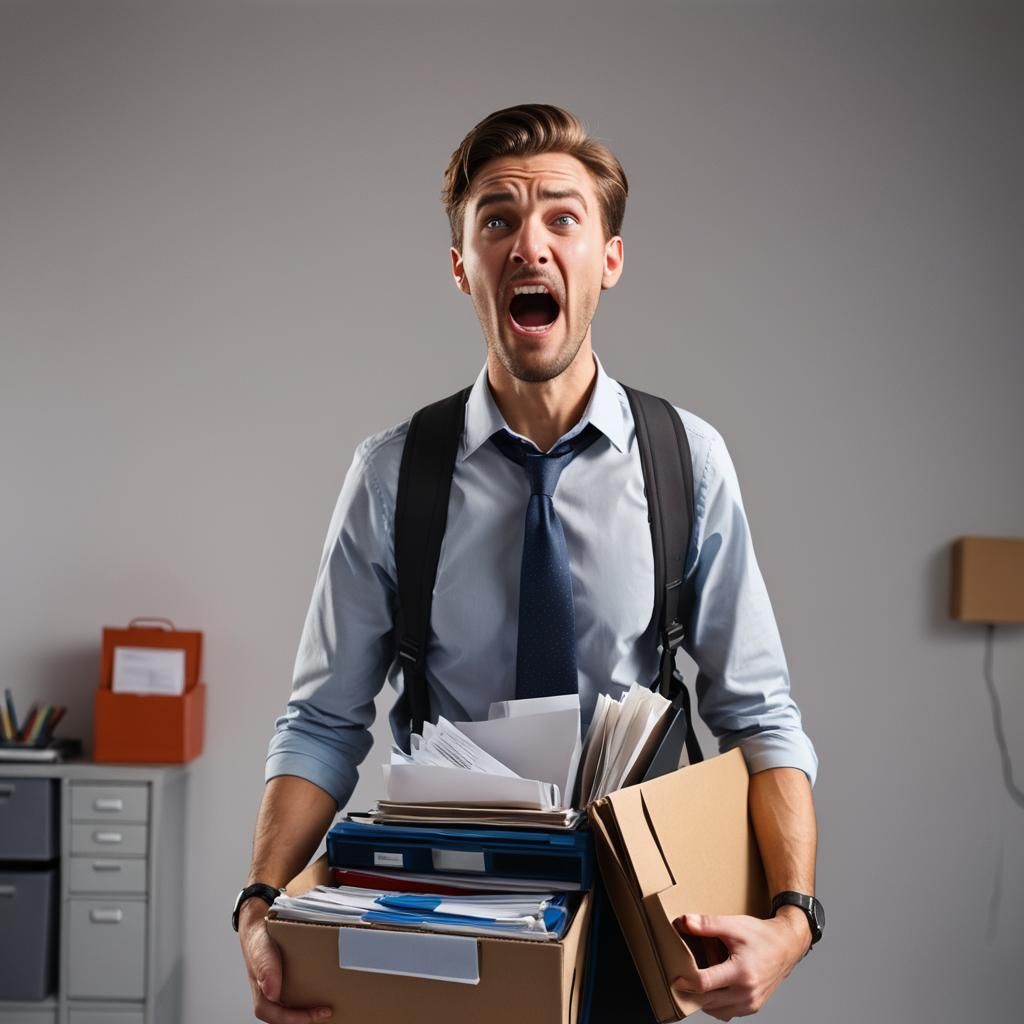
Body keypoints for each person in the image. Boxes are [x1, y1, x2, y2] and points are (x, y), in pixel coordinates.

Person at [235, 103, 821, 1024]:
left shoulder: (685, 461)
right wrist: (260, 902)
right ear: (462, 265)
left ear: (610, 260)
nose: (529, 244)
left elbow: (758, 713)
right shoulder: (393, 475)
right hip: (441, 920)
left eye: (562, 216)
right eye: (497, 220)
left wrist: (793, 917)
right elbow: (322, 720)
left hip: (636, 920)